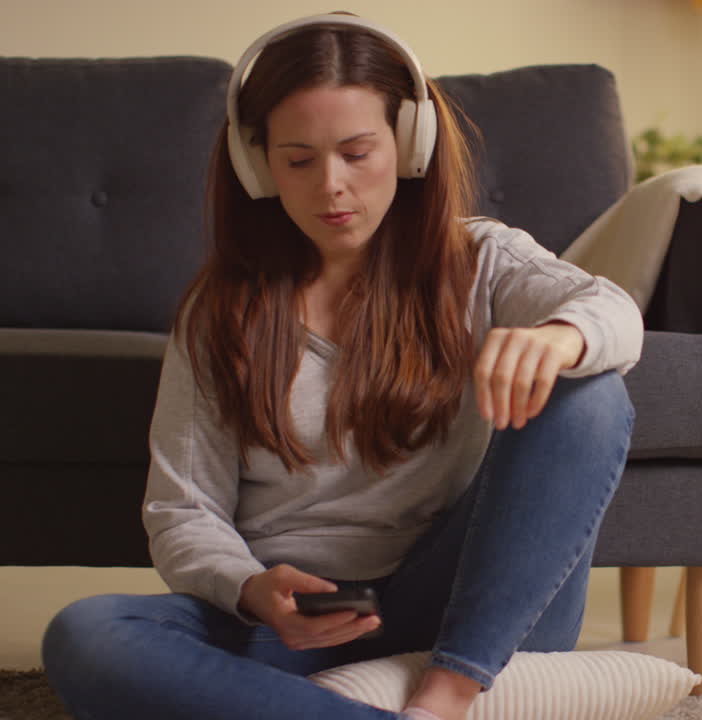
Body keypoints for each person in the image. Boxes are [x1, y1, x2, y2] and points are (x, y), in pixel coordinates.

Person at [42, 13, 642, 720]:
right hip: (291, 625)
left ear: (409, 144)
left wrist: (560, 338)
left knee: (591, 395)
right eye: (299, 160)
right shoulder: (218, 310)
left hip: (468, 613)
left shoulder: (480, 261)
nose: (331, 186)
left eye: (357, 153)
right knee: (88, 634)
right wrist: (249, 588)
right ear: (256, 163)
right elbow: (183, 509)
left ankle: (446, 698)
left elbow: (614, 312)